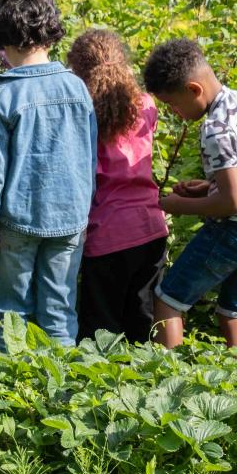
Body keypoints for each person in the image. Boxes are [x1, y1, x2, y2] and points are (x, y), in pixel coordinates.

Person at [143, 39, 237, 351]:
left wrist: (176, 204)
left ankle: (164, 379)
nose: (174, 112)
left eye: (174, 104)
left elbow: (232, 203)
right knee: (235, 312)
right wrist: (206, 187)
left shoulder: (214, 128)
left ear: (194, 90)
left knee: (168, 300)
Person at [0, 0, 96, 347]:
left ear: (0, 40)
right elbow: (88, 158)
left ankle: (8, 395)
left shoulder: (2, 93)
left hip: (17, 219)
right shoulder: (77, 87)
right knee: (60, 312)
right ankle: (62, 396)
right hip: (70, 217)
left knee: (10, 311)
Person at [67, 29, 169, 343]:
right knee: (143, 321)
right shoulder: (147, 105)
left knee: (100, 327)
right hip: (150, 227)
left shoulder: (83, 111)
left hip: (106, 232)